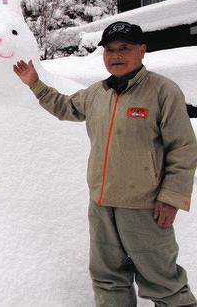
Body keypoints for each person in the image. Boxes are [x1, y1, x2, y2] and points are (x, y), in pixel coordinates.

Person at [13, 21, 197, 306]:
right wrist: (35, 84)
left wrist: (171, 198)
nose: (116, 55)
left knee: (163, 282)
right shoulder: (97, 93)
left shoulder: (163, 91)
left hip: (145, 208)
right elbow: (65, 107)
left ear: (142, 50)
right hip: (101, 205)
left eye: (124, 48)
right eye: (110, 50)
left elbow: (183, 148)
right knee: (108, 280)